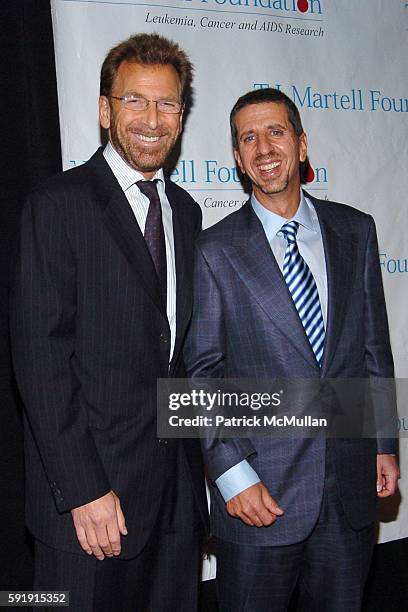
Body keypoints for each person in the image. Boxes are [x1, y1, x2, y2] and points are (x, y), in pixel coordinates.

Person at [11, 33, 208, 612]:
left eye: (167, 103)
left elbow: (181, 357)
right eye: (134, 100)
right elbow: (40, 359)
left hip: (174, 502)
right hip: (93, 506)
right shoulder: (59, 204)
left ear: (181, 114)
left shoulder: (188, 213)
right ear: (104, 110)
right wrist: (84, 489)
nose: (152, 119)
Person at [184, 87, 399, 611]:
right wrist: (233, 477)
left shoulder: (356, 230)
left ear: (302, 145)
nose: (264, 148)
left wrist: (383, 443)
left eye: (275, 132)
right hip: (259, 495)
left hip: (349, 489)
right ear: (236, 158)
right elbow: (198, 378)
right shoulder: (213, 250)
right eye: (248, 138)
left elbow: (374, 348)